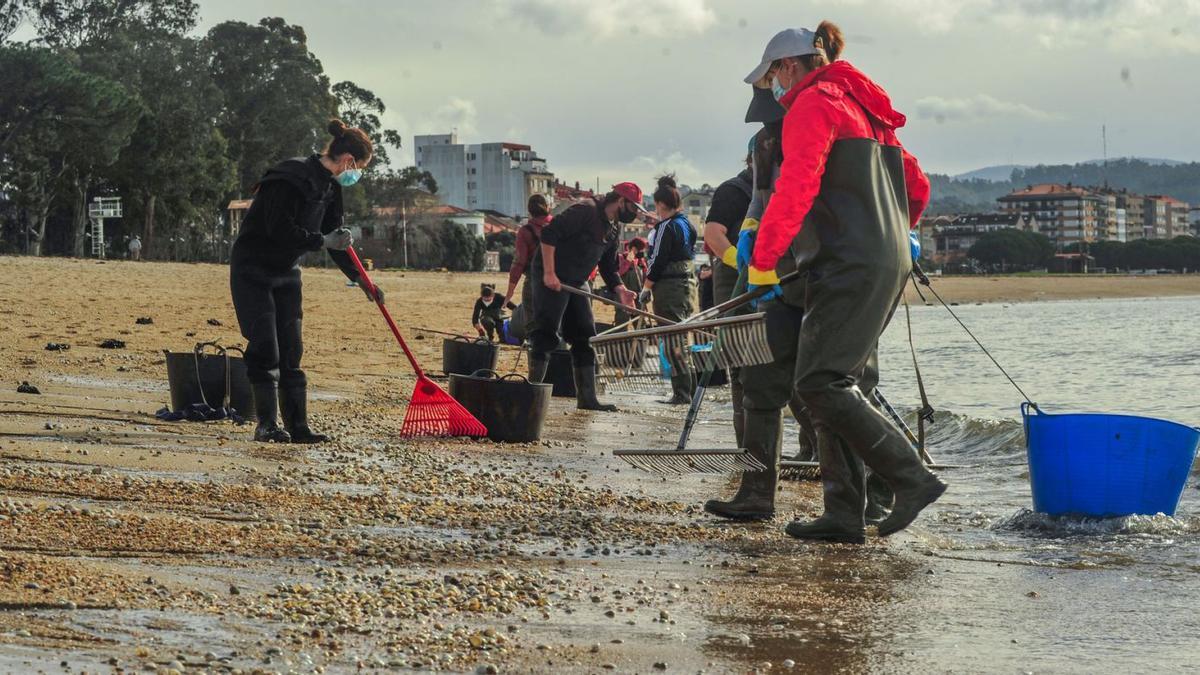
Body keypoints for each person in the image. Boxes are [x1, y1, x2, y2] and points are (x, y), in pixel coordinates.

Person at [741, 23, 942, 542]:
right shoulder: (868, 109)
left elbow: (798, 184)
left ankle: (911, 477)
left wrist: (764, 256)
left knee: (819, 382)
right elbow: (916, 184)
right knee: (844, 382)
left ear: (789, 67)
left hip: (847, 262)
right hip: (881, 257)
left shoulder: (813, 104)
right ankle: (845, 513)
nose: (773, 92)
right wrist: (897, 234)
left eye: (771, 80)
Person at [230, 119, 377, 443]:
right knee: (266, 347)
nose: (357, 175)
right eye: (360, 168)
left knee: (292, 349)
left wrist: (361, 280)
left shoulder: (331, 187)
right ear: (348, 161)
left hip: (287, 272)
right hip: (252, 269)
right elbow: (278, 229)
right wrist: (324, 242)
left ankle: (298, 426)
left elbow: (336, 238)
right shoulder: (289, 176)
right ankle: (266, 424)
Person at [528, 183, 641, 411]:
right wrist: (549, 273)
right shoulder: (586, 211)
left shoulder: (613, 228)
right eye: (633, 207)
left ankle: (587, 399)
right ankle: (531, 396)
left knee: (585, 336)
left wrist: (621, 290)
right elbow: (549, 234)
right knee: (546, 333)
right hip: (553, 276)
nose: (635, 212)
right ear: (620, 201)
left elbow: (608, 266)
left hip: (577, 281)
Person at [642, 175, 698, 405]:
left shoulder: (666, 227)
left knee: (673, 340)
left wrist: (646, 288)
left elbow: (657, 261)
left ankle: (682, 393)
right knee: (683, 338)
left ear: (660, 204)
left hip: (670, 288)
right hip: (688, 286)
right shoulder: (688, 224)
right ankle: (691, 391)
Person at [504, 194, 552, 342]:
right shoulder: (559, 225)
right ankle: (558, 359)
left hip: (535, 283)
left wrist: (510, 291)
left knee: (533, 326)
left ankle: (537, 360)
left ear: (529, 211)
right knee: (556, 325)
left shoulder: (525, 231)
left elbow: (519, 262)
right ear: (548, 208)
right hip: (560, 282)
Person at [614, 237, 648, 326]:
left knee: (640, 322)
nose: (641, 253)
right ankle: (621, 339)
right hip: (624, 295)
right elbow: (619, 272)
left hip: (638, 296)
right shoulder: (621, 257)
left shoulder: (641, 261)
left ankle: (641, 339)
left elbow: (645, 276)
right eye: (639, 250)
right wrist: (629, 259)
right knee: (622, 321)